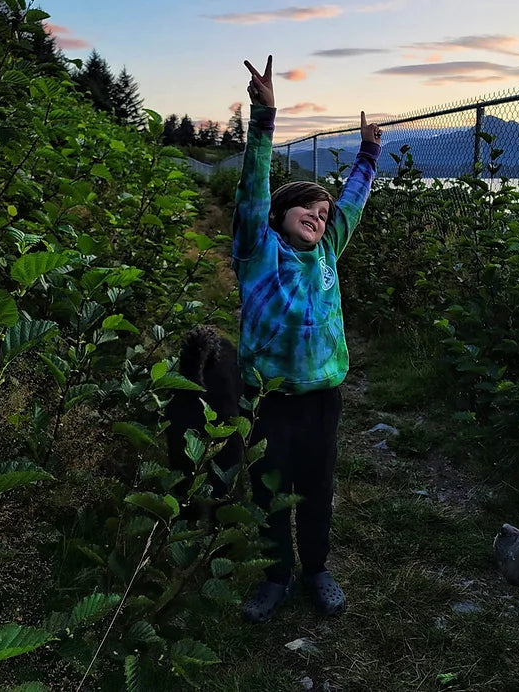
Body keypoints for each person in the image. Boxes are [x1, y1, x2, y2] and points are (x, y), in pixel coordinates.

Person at [234, 54, 382, 622]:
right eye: (308, 206)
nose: (320, 216)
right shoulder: (257, 250)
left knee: (317, 486)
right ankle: (276, 576)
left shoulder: (326, 253)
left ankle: (316, 568)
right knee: (271, 487)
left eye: (323, 212)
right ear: (280, 213)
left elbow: (353, 201)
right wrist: (265, 116)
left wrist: (369, 153)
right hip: (268, 396)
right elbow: (252, 188)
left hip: (322, 395)